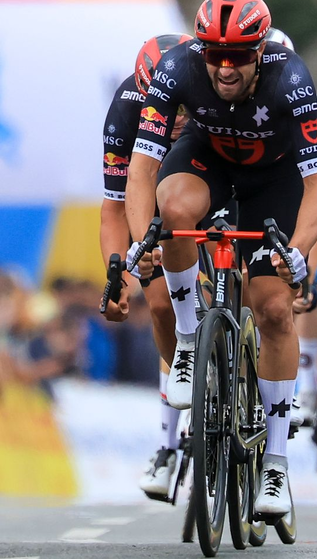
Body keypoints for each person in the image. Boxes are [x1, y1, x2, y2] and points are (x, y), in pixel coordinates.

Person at [125, 0, 317, 518]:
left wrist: (299, 252)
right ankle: (192, 339)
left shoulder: (292, 79)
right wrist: (139, 241)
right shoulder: (178, 68)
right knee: (172, 209)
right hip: (211, 159)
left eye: (237, 55)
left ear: (259, 51)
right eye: (214, 54)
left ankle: (277, 465)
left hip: (276, 179)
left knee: (272, 308)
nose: (223, 67)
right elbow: (143, 170)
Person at [101, 33, 194, 499]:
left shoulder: (204, 85)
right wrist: (117, 276)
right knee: (161, 308)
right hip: (150, 197)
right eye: (166, 110)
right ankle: (167, 445)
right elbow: (114, 206)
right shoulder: (126, 107)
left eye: (182, 109)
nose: (176, 119)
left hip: (212, 179)